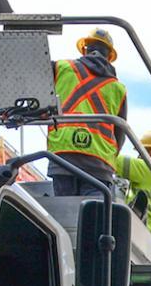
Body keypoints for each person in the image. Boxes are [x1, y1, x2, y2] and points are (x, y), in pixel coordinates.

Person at [48, 28, 128, 196]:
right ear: (109, 57)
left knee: (63, 218)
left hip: (63, 156)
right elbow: (120, 133)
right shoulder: (118, 89)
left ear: (85, 49)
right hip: (99, 164)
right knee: (94, 219)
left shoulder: (61, 68)